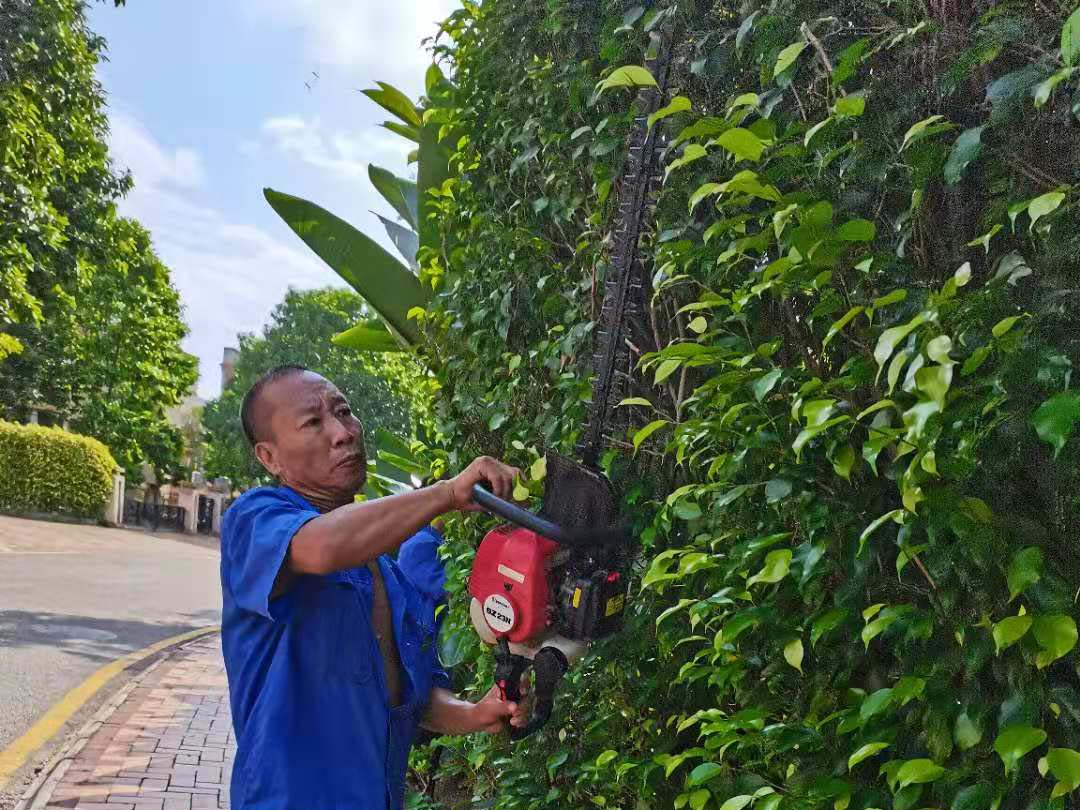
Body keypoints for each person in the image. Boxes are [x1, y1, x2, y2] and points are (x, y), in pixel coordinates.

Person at [219, 365, 526, 810]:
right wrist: (445, 495)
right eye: (313, 422)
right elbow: (322, 547)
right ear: (270, 458)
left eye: (344, 412)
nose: (342, 432)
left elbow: (410, 697)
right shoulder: (254, 519)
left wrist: (478, 712)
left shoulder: (388, 574)